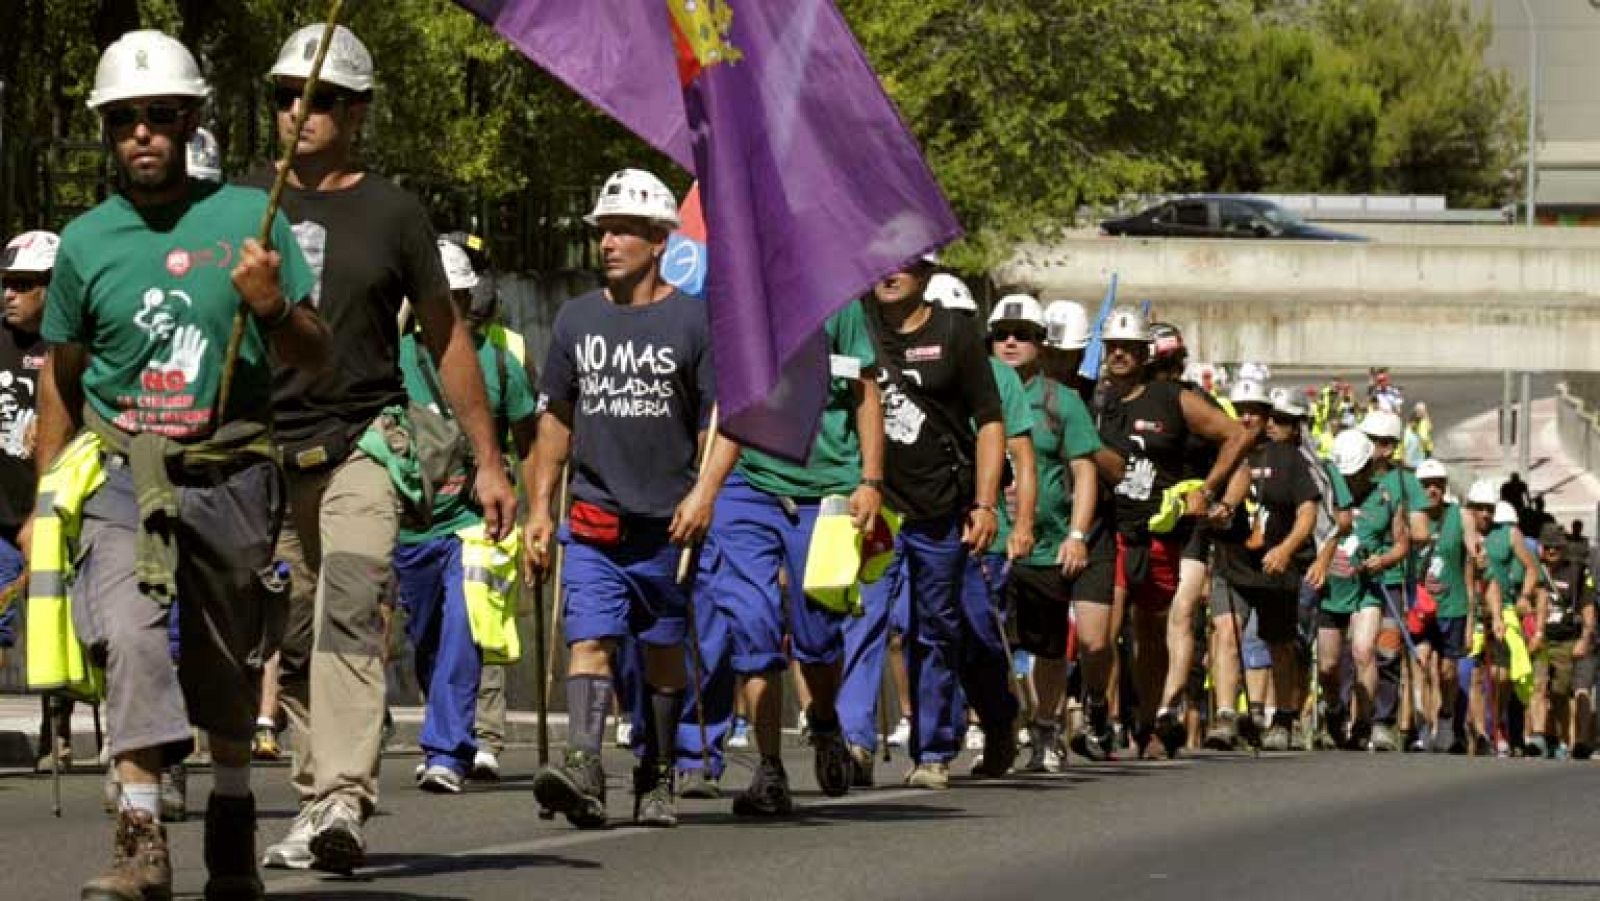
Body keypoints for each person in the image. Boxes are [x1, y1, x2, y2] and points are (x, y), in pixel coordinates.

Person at [36, 29, 329, 899]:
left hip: (233, 475)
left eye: (160, 116)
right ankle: (140, 837)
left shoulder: (250, 217)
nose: (142, 134)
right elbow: (63, 370)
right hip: (127, 475)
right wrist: (49, 486)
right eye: (124, 120)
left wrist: (274, 309)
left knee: (222, 668)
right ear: (107, 130)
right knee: (129, 636)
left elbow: (313, 356)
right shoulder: (84, 242)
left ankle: (233, 819)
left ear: (191, 119)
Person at [252, 24, 515, 874]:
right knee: (291, 638)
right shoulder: (240, 202)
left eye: (321, 98)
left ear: (356, 113)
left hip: (362, 443)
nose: (300, 111)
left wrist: (488, 458)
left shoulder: (395, 211)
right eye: (286, 96)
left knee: (353, 604)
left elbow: (445, 340)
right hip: (262, 452)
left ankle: (343, 796)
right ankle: (310, 794)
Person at [525, 167, 721, 829]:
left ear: (659, 240)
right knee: (592, 640)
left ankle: (658, 771)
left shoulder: (694, 321)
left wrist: (705, 492)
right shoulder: (576, 319)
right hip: (592, 519)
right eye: (603, 230)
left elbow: (726, 425)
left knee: (663, 653)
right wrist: (539, 507)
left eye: (624, 231)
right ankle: (583, 766)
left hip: (668, 527)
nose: (608, 241)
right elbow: (554, 420)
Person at [692, 297, 883, 814]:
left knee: (817, 636)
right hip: (747, 487)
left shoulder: (838, 303)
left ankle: (824, 721)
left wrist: (871, 480)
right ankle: (769, 769)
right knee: (752, 628)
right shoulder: (742, 298)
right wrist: (706, 490)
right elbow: (724, 399)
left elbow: (866, 391)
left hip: (826, 491)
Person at [392, 238, 538, 794]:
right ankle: (445, 726)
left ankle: (447, 750)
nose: (446, 305)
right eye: (436, 295)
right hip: (409, 522)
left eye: (454, 295)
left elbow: (529, 439)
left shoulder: (500, 362)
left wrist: (534, 508)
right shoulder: (393, 357)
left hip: (471, 527)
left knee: (462, 628)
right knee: (427, 633)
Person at [861, 255, 1005, 789]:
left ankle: (935, 749)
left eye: (905, 263)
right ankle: (854, 740)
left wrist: (986, 504)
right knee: (865, 622)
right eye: (882, 261)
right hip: (872, 507)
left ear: (925, 274)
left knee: (934, 628)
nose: (889, 271)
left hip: (941, 509)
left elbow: (992, 421)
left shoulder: (957, 332)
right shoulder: (856, 322)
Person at [1094, 308, 1249, 759]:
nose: (1119, 354)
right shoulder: (1096, 401)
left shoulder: (1173, 398)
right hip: (1109, 528)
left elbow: (1237, 436)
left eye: (1129, 348)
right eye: (1112, 347)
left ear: (1145, 354)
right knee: (1104, 626)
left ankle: (1152, 721)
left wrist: (1210, 490)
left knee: (1153, 627)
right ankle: (1101, 716)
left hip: (1162, 528)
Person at [990, 296, 1115, 773]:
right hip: (991, 541)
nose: (1011, 342)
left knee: (1045, 647)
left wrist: (1078, 533)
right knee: (990, 640)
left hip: (1046, 544)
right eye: (1002, 333)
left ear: (1040, 344)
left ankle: (1045, 727)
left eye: (1022, 334)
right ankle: (999, 725)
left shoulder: (1062, 402)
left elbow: (1085, 472)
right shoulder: (976, 393)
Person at [1208, 380, 1321, 752]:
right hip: (1233, 560)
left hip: (1274, 567)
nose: (1247, 418)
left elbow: (1307, 511)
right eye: (1239, 410)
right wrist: (1219, 509)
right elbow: (1221, 490)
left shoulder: (1289, 460)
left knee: (1279, 643)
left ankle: (1284, 716)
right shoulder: (1228, 453)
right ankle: (1225, 715)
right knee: (1226, 630)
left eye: (1255, 411)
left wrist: (1287, 549)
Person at [0, 231, 57, 768]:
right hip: (1, 512)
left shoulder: (70, 346)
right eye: (6, 284)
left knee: (52, 625)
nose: (9, 294)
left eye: (23, 285)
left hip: (53, 512)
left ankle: (55, 724)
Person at [1314, 430, 1408, 750]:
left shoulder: (1384, 498)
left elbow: (1401, 544)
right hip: (1331, 590)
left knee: (1364, 651)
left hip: (1366, 589)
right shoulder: (1327, 495)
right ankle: (1335, 712)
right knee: (1328, 666)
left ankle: (1364, 724)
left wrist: (1382, 560)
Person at [1357, 408, 1429, 752]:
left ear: (1387, 447)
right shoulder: (1350, 474)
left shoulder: (1406, 484)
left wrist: (1393, 536)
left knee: (1386, 652)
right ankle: (1351, 716)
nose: (1367, 447)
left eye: (1372, 442)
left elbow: (1421, 530)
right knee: (1353, 652)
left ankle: (1383, 722)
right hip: (1350, 577)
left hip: (1391, 579)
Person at [1413, 459, 1471, 753]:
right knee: (1423, 663)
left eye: (1437, 484)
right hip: (1421, 608)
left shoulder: (1459, 516)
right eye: (1425, 484)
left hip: (1452, 606)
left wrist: (1478, 551)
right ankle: (1423, 725)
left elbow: (1472, 551)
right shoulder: (1412, 517)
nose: (1431, 489)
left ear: (1445, 487)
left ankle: (1446, 720)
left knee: (1448, 671)